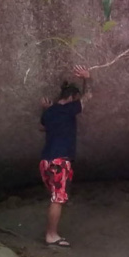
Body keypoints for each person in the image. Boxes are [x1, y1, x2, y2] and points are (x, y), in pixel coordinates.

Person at [39, 65, 92, 247]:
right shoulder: (70, 108)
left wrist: (46, 108)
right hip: (59, 161)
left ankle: (51, 231)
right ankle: (51, 235)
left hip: (45, 161)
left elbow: (43, 127)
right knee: (57, 199)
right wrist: (87, 78)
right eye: (74, 100)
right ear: (70, 98)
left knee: (55, 196)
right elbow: (88, 97)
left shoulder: (50, 112)